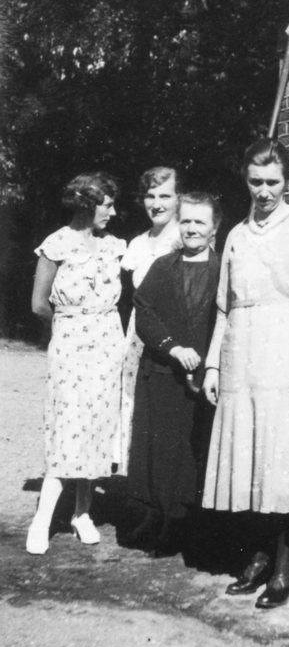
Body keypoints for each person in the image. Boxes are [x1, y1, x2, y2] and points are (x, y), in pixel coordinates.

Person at [202, 137, 289, 609]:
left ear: (287, 181)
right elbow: (224, 307)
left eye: (273, 182)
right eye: (255, 182)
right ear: (245, 182)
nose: (264, 191)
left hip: (288, 355)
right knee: (252, 458)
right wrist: (213, 363)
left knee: (284, 460)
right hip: (243, 356)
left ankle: (285, 566)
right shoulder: (237, 236)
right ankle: (260, 557)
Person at [26, 172, 125, 554]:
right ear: (86, 205)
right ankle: (42, 519)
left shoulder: (114, 246)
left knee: (98, 426)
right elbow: (39, 304)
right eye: (107, 205)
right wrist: (69, 328)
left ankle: (82, 513)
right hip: (70, 344)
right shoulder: (56, 244)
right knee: (68, 426)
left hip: (108, 345)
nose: (112, 213)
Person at [126, 191, 221, 554]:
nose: (192, 228)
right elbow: (143, 311)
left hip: (204, 378)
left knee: (191, 449)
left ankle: (181, 522)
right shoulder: (163, 267)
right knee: (158, 446)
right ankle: (154, 515)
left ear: (215, 227)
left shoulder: (223, 270)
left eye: (200, 221)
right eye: (186, 221)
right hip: (163, 372)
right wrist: (173, 348)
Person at [117, 166, 181, 474]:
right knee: (136, 407)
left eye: (165, 196)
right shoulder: (137, 245)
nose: (156, 204)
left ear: (179, 198)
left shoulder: (186, 237)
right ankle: (138, 489)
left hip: (172, 335)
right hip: (138, 337)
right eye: (150, 196)